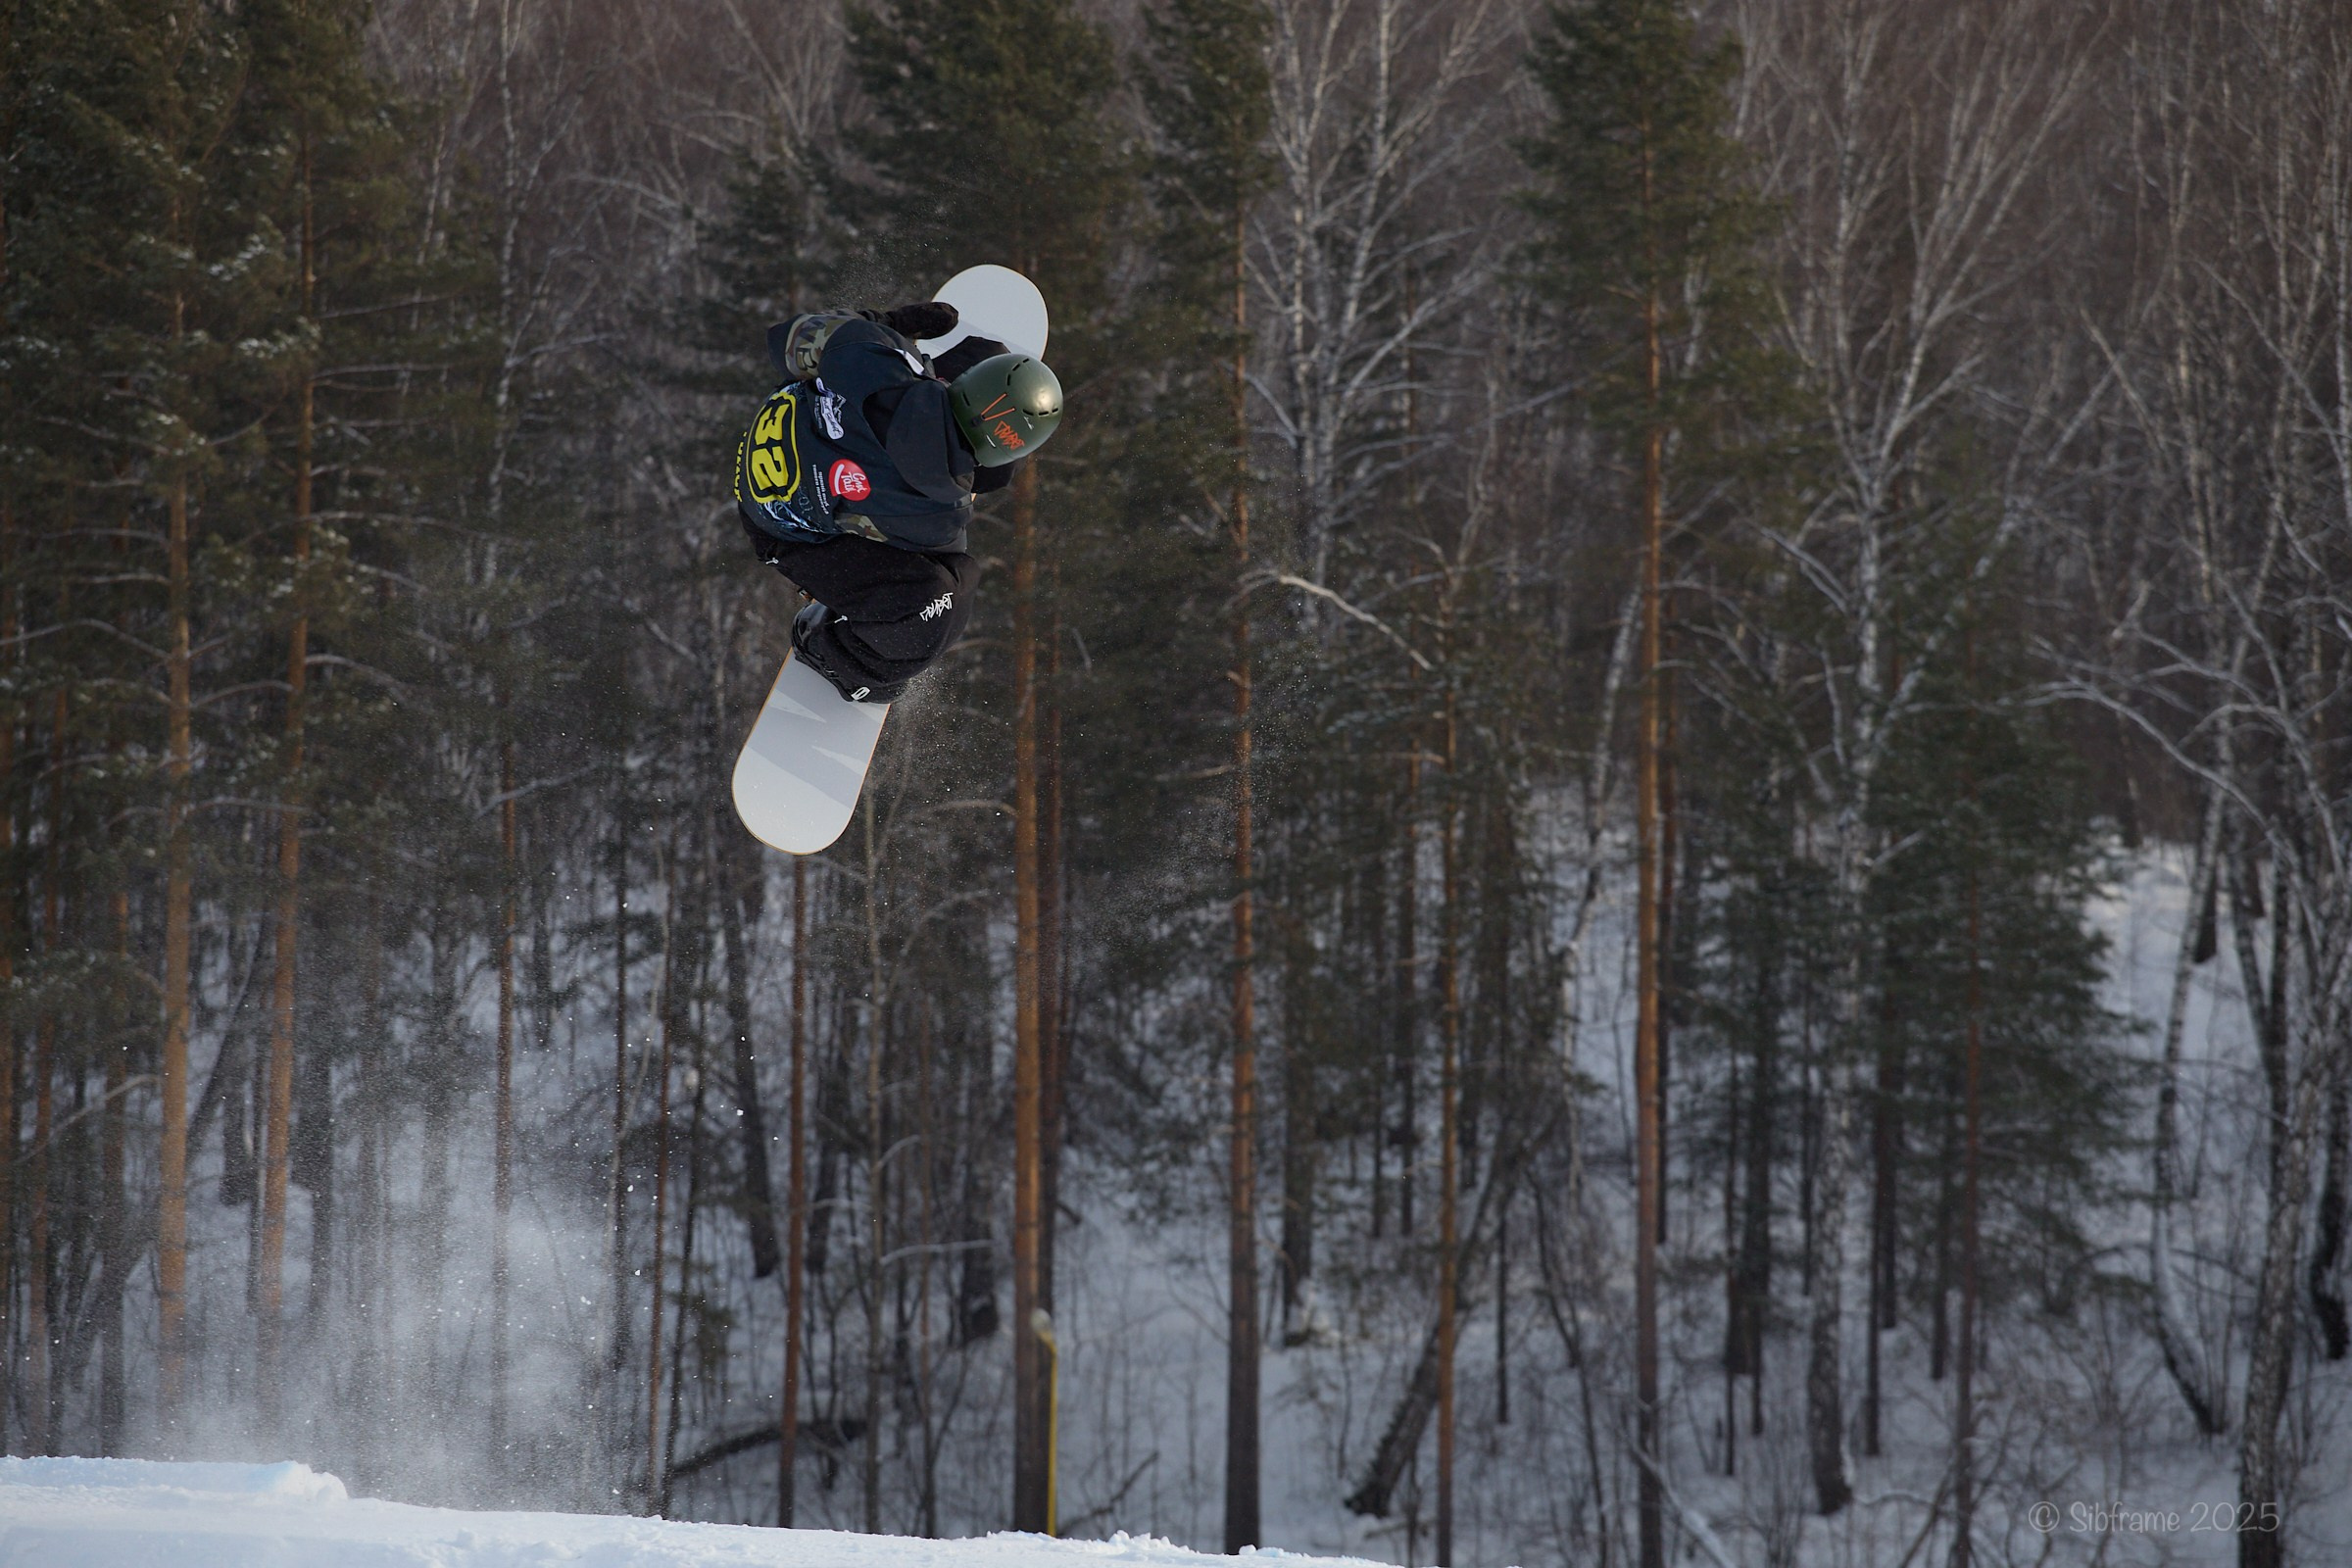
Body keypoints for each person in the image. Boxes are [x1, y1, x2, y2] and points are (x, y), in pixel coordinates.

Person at [734, 300, 1064, 704]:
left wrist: (889, 324)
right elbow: (933, 559)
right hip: (776, 531)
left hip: (768, 436)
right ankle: (833, 653)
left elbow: (783, 340)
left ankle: (962, 401)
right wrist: (974, 474)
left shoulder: (871, 347)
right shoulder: (937, 514)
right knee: (945, 598)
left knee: (979, 357)